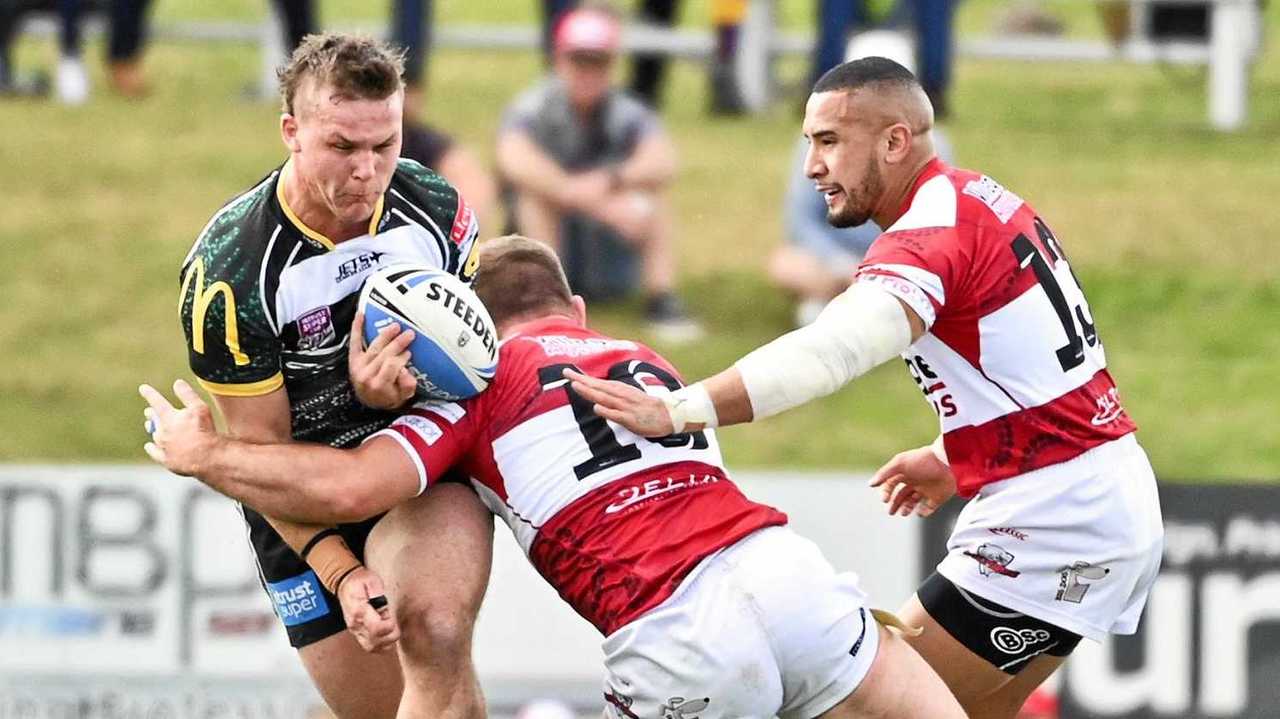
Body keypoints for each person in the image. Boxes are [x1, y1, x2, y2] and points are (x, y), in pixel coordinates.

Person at [142, 235, 968, 719]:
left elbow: (354, 488)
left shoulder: (475, 386)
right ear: (574, 308)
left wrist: (205, 451)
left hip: (672, 630)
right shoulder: (646, 359)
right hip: (784, 571)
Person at [565, 58, 1165, 719]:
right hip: (1094, 493)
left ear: (895, 141)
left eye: (829, 141)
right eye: (809, 144)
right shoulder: (976, 197)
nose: (811, 167)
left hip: (1059, 517)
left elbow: (827, 354)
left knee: (863, 704)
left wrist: (678, 408)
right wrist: (949, 452)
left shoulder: (925, 240)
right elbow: (1031, 366)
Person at [175, 33, 491, 719]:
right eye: (342, 148)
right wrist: (340, 572)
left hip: (412, 462)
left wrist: (399, 394)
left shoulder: (437, 212)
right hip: (298, 500)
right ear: (291, 131)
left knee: (435, 635)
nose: (368, 171)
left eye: (386, 145)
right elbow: (261, 461)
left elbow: (474, 374)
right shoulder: (230, 274)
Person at [500, 4, 701, 342]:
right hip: (553, 239)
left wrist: (611, 181)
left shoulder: (626, 110)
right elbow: (513, 158)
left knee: (653, 197)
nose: (587, 72)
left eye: (598, 61)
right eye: (579, 60)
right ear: (560, 59)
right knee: (535, 197)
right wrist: (590, 199)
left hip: (608, 248)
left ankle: (662, 299)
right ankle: (546, 303)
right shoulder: (533, 107)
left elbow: (662, 160)